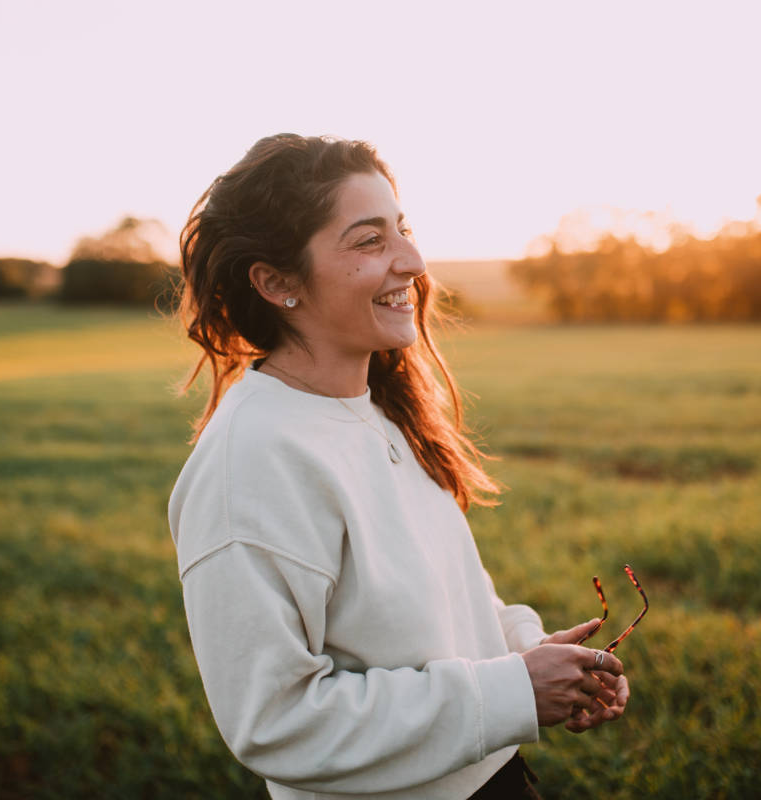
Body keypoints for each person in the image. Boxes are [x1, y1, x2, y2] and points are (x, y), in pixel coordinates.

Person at [168, 134, 629, 800]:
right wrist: (513, 691)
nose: (412, 261)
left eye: (402, 230)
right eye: (369, 241)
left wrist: (529, 653)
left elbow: (448, 598)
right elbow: (275, 724)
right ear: (276, 283)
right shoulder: (251, 463)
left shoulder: (381, 408)